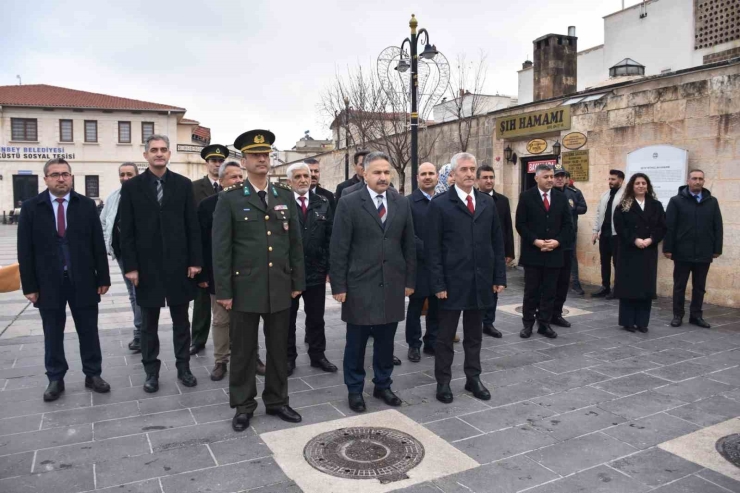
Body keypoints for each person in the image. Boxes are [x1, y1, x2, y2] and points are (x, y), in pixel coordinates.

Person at [213, 129, 305, 432]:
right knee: (243, 350)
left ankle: (278, 400)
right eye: (255, 155)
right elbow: (221, 249)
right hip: (245, 288)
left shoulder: (285, 196)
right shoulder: (230, 199)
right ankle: (243, 404)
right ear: (244, 160)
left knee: (279, 347)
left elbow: (295, 244)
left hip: (279, 285)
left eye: (266, 154)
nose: (262, 159)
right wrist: (224, 290)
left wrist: (297, 282)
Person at [18, 158, 111, 401]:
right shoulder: (31, 207)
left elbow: (97, 244)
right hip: (48, 282)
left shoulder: (86, 205)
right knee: (52, 332)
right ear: (46, 179)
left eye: (65, 174)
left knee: (89, 330)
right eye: (55, 174)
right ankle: (55, 378)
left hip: (83, 280)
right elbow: (24, 250)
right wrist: (29, 285)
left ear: (71, 177)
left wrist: (103, 277)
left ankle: (93, 374)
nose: (61, 178)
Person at [330, 151, 416, 413]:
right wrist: (339, 286)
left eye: (386, 172)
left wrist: (409, 280)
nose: (383, 177)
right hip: (359, 285)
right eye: (377, 172)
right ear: (364, 174)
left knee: (386, 341)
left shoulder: (401, 203)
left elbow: (408, 244)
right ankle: (355, 389)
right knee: (356, 343)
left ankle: (383, 384)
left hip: (392, 283)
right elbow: (339, 247)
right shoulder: (349, 202)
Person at [119, 134, 202, 393]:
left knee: (181, 321)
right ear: (145, 155)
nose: (159, 154)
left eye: (163, 149)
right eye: (153, 150)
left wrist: (195, 261)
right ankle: (151, 372)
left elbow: (192, 226)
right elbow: (126, 230)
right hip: (147, 268)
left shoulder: (183, 184)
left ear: (169, 154)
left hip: (179, 266)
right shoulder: (132, 187)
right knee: (148, 324)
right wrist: (130, 266)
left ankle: (183, 367)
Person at [427, 153, 506, 404]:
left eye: (473, 169)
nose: (470, 174)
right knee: (445, 337)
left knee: (474, 335)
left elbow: (496, 241)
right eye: (464, 169)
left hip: (480, 281)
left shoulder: (486, 203)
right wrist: (438, 283)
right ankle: (443, 382)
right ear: (453, 173)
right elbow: (433, 248)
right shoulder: (440, 204)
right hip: (451, 284)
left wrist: (498, 277)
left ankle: (473, 378)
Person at [196, 161, 259, 381]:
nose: (238, 181)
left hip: (248, 274)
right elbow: (202, 243)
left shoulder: (253, 201)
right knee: (221, 320)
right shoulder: (207, 205)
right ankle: (221, 360)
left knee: (250, 319)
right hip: (218, 274)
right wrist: (203, 275)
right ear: (221, 181)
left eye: (240, 176)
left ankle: (254, 357)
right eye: (233, 177)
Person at [286, 162, 337, 375]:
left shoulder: (323, 202)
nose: (303, 180)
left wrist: (329, 268)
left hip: (316, 271)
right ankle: (288, 358)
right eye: (297, 177)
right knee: (287, 320)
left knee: (316, 317)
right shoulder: (281, 203)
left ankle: (318, 355)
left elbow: (331, 237)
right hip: (289, 273)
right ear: (289, 182)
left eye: (306, 176)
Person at [516, 164, 573, 340]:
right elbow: (521, 224)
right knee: (531, 291)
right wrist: (536, 241)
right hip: (534, 254)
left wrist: (557, 242)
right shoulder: (526, 197)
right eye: (546, 177)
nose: (550, 180)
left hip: (554, 253)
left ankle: (544, 324)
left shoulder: (561, 198)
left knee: (550, 291)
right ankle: (527, 324)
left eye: (551, 176)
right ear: (536, 178)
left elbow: (568, 226)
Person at [664, 169, 723, 328]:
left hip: (704, 252)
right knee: (679, 286)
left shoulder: (712, 201)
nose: (698, 181)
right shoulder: (676, 201)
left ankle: (696, 316)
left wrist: (717, 248)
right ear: (688, 181)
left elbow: (717, 226)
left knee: (699, 287)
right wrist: (668, 248)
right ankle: (678, 315)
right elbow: (669, 227)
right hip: (682, 251)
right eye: (694, 178)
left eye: (700, 179)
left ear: (704, 181)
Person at [613, 173, 666, 333]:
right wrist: (635, 239)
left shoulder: (656, 205)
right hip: (629, 251)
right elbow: (620, 227)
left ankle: (642, 322)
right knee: (630, 287)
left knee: (645, 287)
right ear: (632, 186)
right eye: (637, 183)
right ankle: (628, 321)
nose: (641, 186)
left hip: (648, 251)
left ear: (648, 186)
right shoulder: (623, 205)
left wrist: (651, 240)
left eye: (644, 183)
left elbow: (662, 227)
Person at [189, 144, 229, 355]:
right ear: (207, 163)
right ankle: (198, 339)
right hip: (204, 254)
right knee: (202, 302)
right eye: (213, 161)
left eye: (220, 160)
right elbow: (192, 227)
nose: (217, 164)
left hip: (226, 257)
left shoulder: (233, 187)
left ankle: (227, 345)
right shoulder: (194, 188)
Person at [100, 163, 142, 352]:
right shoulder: (113, 197)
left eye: (130, 174)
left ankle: (142, 333)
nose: (126, 178)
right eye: (122, 174)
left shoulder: (144, 195)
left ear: (137, 175)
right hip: (121, 254)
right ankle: (141, 331)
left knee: (139, 293)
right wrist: (108, 246)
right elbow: (103, 222)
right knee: (133, 295)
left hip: (141, 255)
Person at [406, 162, 440, 362]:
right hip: (418, 265)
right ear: (417, 177)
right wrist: (430, 251)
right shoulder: (409, 202)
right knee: (415, 307)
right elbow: (408, 234)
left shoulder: (444, 200)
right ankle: (414, 344)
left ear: (437, 177)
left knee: (437, 306)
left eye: (431, 173)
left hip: (439, 267)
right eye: (423, 174)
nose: (427, 177)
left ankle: (432, 342)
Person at [475, 165, 514, 338]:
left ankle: (488, 322)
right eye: (485, 177)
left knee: (494, 288)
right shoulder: (472, 199)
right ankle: (474, 321)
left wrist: (509, 252)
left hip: (494, 254)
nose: (489, 180)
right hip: (476, 253)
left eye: (491, 177)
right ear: (478, 180)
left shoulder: (502, 201)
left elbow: (507, 228)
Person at [550, 165, 581, 327]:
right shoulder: (547, 195)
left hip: (566, 243)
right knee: (548, 283)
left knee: (562, 282)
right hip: (551, 246)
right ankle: (544, 313)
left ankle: (557, 313)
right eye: (556, 176)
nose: (559, 178)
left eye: (562, 175)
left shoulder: (571, 193)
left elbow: (580, 209)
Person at [592, 170, 625, 299]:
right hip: (604, 234)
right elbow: (599, 213)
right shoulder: (605, 195)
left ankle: (617, 289)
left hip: (617, 235)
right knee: (604, 262)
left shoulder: (625, 195)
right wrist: (595, 231)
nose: (610, 181)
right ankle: (605, 287)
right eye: (609, 179)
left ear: (621, 181)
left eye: (613, 179)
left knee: (617, 263)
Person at [564, 171, 588, 295]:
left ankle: (575, 283)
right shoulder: (553, 192)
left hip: (570, 231)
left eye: (563, 177)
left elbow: (583, 208)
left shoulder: (575, 193)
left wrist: (573, 208)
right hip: (553, 233)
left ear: (568, 179)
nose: (561, 179)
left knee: (572, 257)